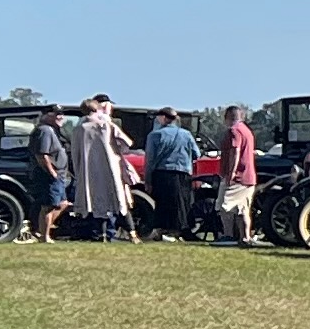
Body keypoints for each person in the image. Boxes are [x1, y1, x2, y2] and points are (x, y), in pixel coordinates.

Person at [67, 95, 138, 240]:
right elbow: (126, 143)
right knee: (116, 199)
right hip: (109, 167)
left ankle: (100, 234)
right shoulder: (106, 124)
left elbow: (75, 152)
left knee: (93, 201)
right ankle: (129, 233)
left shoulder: (79, 128)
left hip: (89, 171)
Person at [143, 108, 200, 240]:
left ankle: (163, 230)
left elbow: (150, 160)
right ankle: (180, 230)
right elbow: (197, 154)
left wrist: (148, 180)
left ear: (163, 118)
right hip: (183, 173)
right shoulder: (186, 135)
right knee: (181, 203)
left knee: (163, 204)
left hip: (162, 173)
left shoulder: (154, 135)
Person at [218, 107, 258, 244]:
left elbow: (235, 151)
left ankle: (228, 235)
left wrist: (231, 173)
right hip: (249, 177)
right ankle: (245, 237)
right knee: (243, 208)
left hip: (238, 178)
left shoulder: (234, 131)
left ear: (228, 116)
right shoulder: (247, 131)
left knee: (224, 206)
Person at [31, 107, 67, 240]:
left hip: (60, 174)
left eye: (62, 114)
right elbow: (42, 155)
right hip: (50, 175)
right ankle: (44, 236)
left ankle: (41, 230)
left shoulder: (54, 131)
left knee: (63, 203)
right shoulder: (44, 130)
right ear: (46, 115)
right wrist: (52, 172)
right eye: (57, 114)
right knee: (48, 206)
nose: (60, 117)